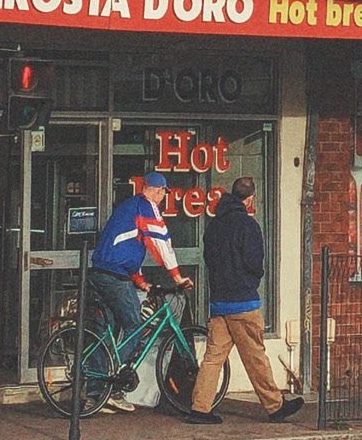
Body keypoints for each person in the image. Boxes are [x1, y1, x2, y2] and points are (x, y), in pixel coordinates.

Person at [188, 175, 303, 425]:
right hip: (243, 302)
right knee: (255, 357)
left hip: (219, 303)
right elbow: (254, 264)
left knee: (213, 357)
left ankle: (199, 407)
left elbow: (209, 259)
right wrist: (252, 281)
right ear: (250, 199)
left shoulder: (214, 226)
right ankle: (275, 406)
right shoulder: (249, 226)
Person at [90, 172, 191, 411]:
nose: (163, 198)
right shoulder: (147, 206)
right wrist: (176, 275)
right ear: (158, 191)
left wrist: (141, 282)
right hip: (114, 276)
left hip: (101, 272)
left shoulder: (128, 207)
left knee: (109, 333)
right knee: (135, 325)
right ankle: (112, 383)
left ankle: (95, 392)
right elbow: (161, 241)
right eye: (164, 193)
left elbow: (123, 245)